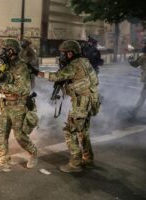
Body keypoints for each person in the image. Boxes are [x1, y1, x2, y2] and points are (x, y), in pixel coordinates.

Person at [38, 40, 100, 173]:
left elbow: (55, 76)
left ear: (71, 53)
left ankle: (75, 162)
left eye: (64, 54)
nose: (62, 56)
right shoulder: (84, 62)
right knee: (83, 131)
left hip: (81, 103)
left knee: (69, 130)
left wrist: (38, 73)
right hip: (91, 102)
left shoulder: (74, 65)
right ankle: (88, 159)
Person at [0, 39, 38, 173]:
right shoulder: (6, 66)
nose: (3, 52)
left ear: (12, 51)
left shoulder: (22, 67)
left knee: (19, 136)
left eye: (5, 50)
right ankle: (4, 161)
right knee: (1, 134)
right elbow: (0, 86)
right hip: (6, 105)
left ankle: (33, 152)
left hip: (19, 106)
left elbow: (23, 89)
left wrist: (2, 85)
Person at [128, 47, 146, 115]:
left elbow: (135, 64)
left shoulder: (143, 57)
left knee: (143, 96)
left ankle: (135, 111)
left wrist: (130, 60)